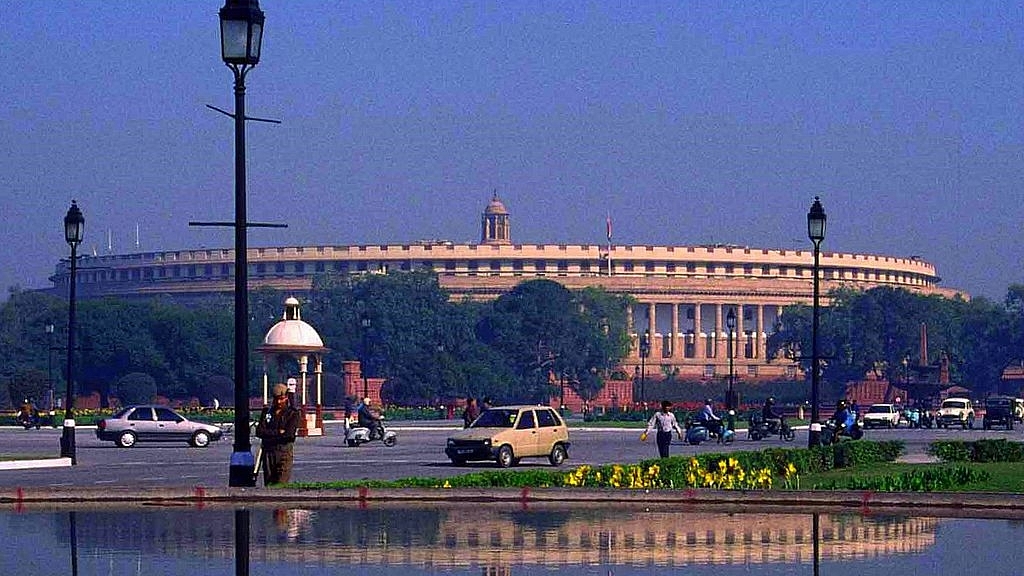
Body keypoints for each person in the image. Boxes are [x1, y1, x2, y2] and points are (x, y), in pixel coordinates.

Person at [255, 383, 301, 486]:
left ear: (286, 398)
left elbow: (289, 435)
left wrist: (269, 435)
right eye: (276, 399)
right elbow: (259, 431)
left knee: (281, 483)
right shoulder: (267, 412)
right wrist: (277, 432)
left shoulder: (292, 413)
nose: (279, 402)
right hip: (268, 452)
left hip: (284, 452)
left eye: (281, 399)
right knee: (269, 483)